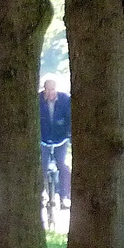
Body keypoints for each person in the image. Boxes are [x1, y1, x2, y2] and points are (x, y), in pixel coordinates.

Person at [39, 76, 71, 207]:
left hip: (60, 139)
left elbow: (70, 118)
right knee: (42, 166)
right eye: (47, 90)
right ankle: (41, 193)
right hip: (43, 140)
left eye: (52, 89)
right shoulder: (38, 100)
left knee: (62, 165)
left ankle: (65, 196)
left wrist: (69, 134)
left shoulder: (65, 100)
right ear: (44, 89)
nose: (50, 93)